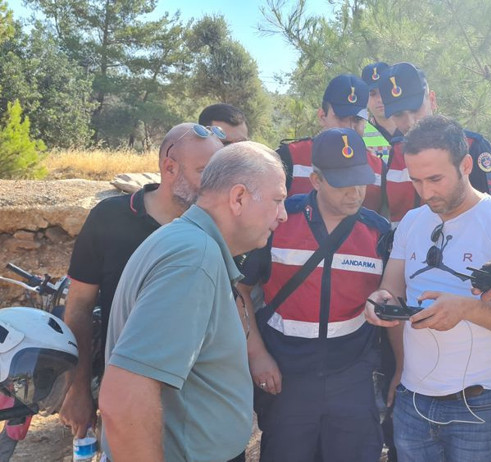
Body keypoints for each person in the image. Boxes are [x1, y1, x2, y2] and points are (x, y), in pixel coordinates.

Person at [364, 115, 491, 462]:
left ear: (466, 165)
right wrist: (378, 302)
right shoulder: (412, 223)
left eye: (435, 179)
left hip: (481, 404)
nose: (426, 192)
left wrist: (465, 310)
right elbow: (390, 289)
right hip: (414, 400)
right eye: (416, 180)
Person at [98, 142, 288, 461]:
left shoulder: (187, 242)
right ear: (238, 197)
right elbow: (125, 398)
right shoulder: (194, 259)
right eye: (277, 200)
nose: (283, 215)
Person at [58, 123, 225, 440]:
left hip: (201, 403)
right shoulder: (109, 218)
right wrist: (77, 389)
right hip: (127, 400)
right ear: (169, 167)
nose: (214, 186)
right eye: (205, 172)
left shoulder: (218, 227)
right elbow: (78, 308)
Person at [238, 128, 389, 461]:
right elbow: (240, 290)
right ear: (316, 180)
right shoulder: (279, 222)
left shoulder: (379, 232)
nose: (356, 193)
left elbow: (393, 300)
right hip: (286, 377)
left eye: (362, 180)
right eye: (343, 182)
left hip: (353, 380)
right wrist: (257, 355)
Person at [377, 62, 491, 225]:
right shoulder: (395, 151)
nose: (410, 122)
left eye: (415, 110)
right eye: (399, 114)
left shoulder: (473, 146)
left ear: (432, 100)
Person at [278, 74, 384, 213]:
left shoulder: (378, 167)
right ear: (322, 116)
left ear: (366, 120)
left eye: (357, 120)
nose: (350, 128)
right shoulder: (289, 157)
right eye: (341, 118)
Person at [361, 61, 396, 161]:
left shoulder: (412, 128)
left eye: (384, 91)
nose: (380, 99)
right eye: (372, 94)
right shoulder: (359, 135)